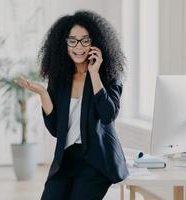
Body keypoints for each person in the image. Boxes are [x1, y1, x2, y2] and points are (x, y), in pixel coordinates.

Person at [15, 10, 129, 200]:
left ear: (95, 43)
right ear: (64, 44)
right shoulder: (59, 78)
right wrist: (43, 93)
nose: (79, 46)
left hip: (97, 161)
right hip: (66, 159)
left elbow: (108, 114)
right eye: (72, 40)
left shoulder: (109, 76)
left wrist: (94, 73)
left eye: (85, 40)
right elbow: (55, 129)